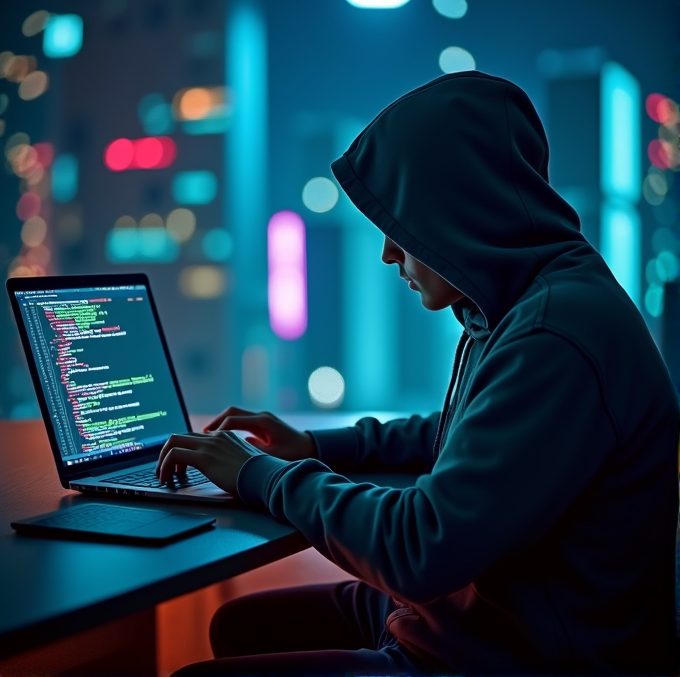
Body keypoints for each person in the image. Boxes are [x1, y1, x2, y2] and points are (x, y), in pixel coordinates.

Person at [157, 71, 679, 675]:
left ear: (455, 210)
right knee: (241, 624)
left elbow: (420, 546)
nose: (386, 252)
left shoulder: (553, 335)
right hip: (478, 613)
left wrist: (264, 477)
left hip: (510, 653)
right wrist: (316, 445)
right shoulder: (522, 303)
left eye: (399, 225)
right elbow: (458, 435)